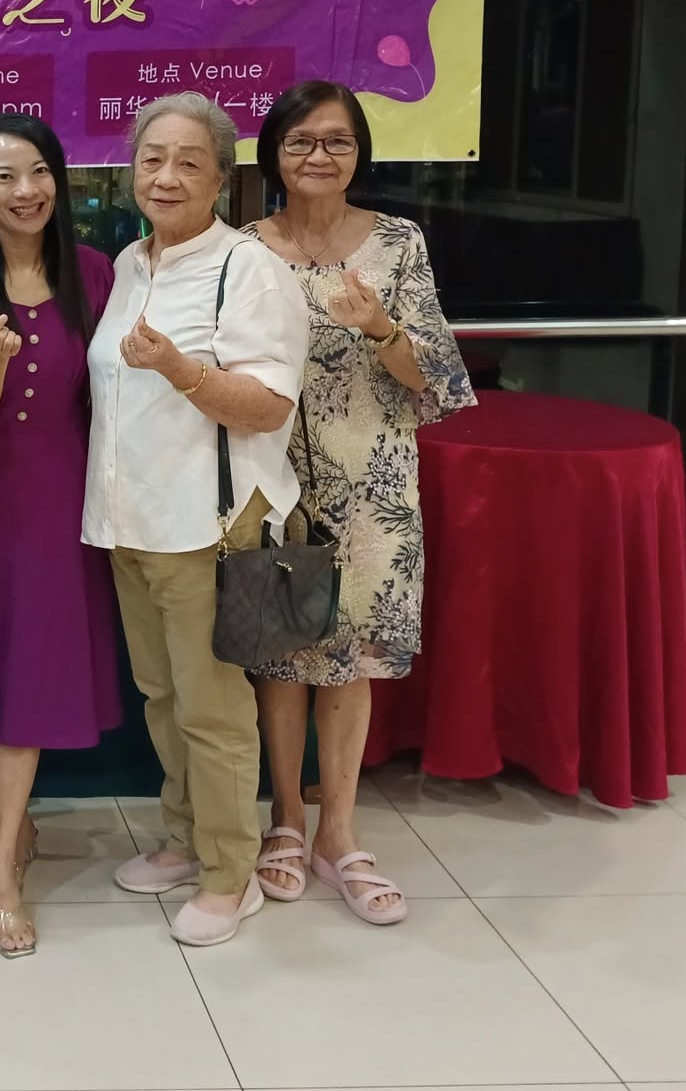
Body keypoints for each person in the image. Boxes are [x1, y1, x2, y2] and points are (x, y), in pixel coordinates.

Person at [245, 81, 474, 925]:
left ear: (359, 153)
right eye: (301, 141)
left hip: (374, 484)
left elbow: (437, 379)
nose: (319, 156)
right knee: (280, 656)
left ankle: (338, 830)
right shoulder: (243, 249)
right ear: (273, 154)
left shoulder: (398, 244)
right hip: (272, 483)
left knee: (349, 659)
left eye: (337, 141)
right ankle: (285, 818)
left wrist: (380, 328)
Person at [83, 92, 308, 948]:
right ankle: (185, 838)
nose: (166, 176)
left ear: (221, 178)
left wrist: (181, 369)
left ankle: (229, 872)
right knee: (162, 694)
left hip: (205, 521)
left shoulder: (248, 269)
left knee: (212, 707)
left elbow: (267, 405)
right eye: (152, 159)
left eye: (189, 161)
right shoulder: (131, 262)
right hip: (129, 517)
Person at [0, 115, 120, 958]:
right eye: (5, 176)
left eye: (39, 171)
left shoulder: (95, 273)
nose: (25, 190)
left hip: (61, 504)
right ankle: (4, 830)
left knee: (30, 677)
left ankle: (2, 858)